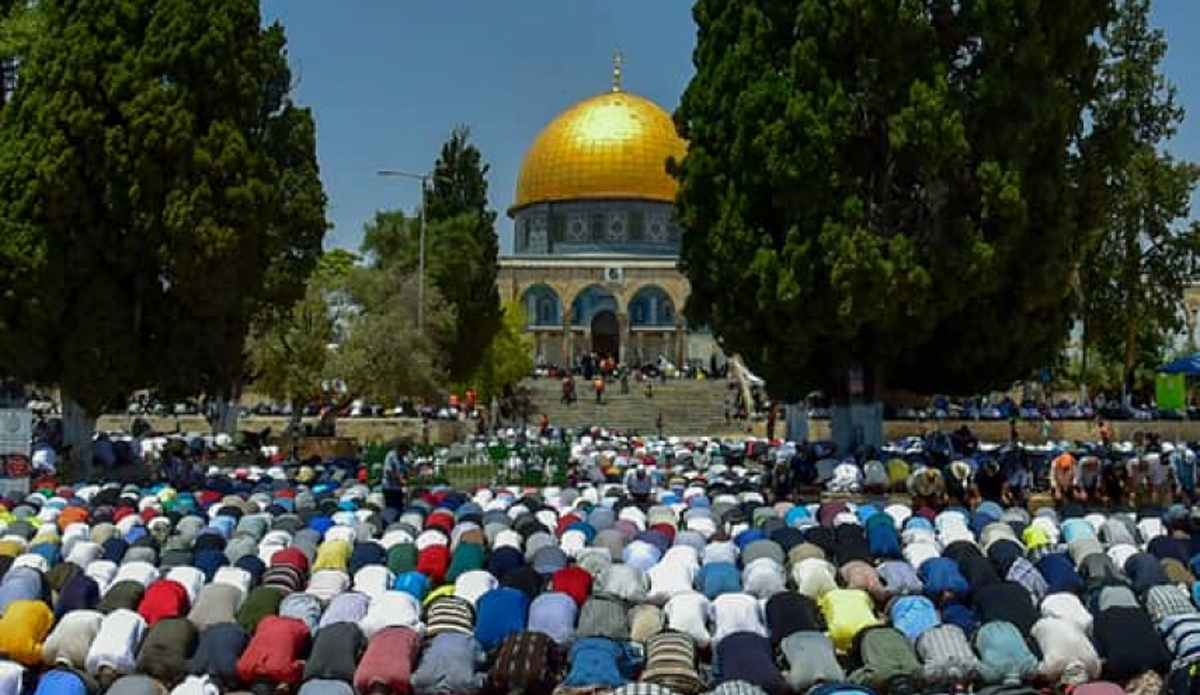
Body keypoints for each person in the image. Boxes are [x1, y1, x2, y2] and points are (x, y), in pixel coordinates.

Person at [383, 443, 409, 516]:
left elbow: (404, 472)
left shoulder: (402, 459)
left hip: (398, 488)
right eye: (405, 452)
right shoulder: (390, 456)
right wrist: (399, 480)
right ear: (400, 450)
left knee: (399, 510)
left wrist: (406, 478)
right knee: (391, 510)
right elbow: (388, 471)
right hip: (389, 488)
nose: (406, 454)